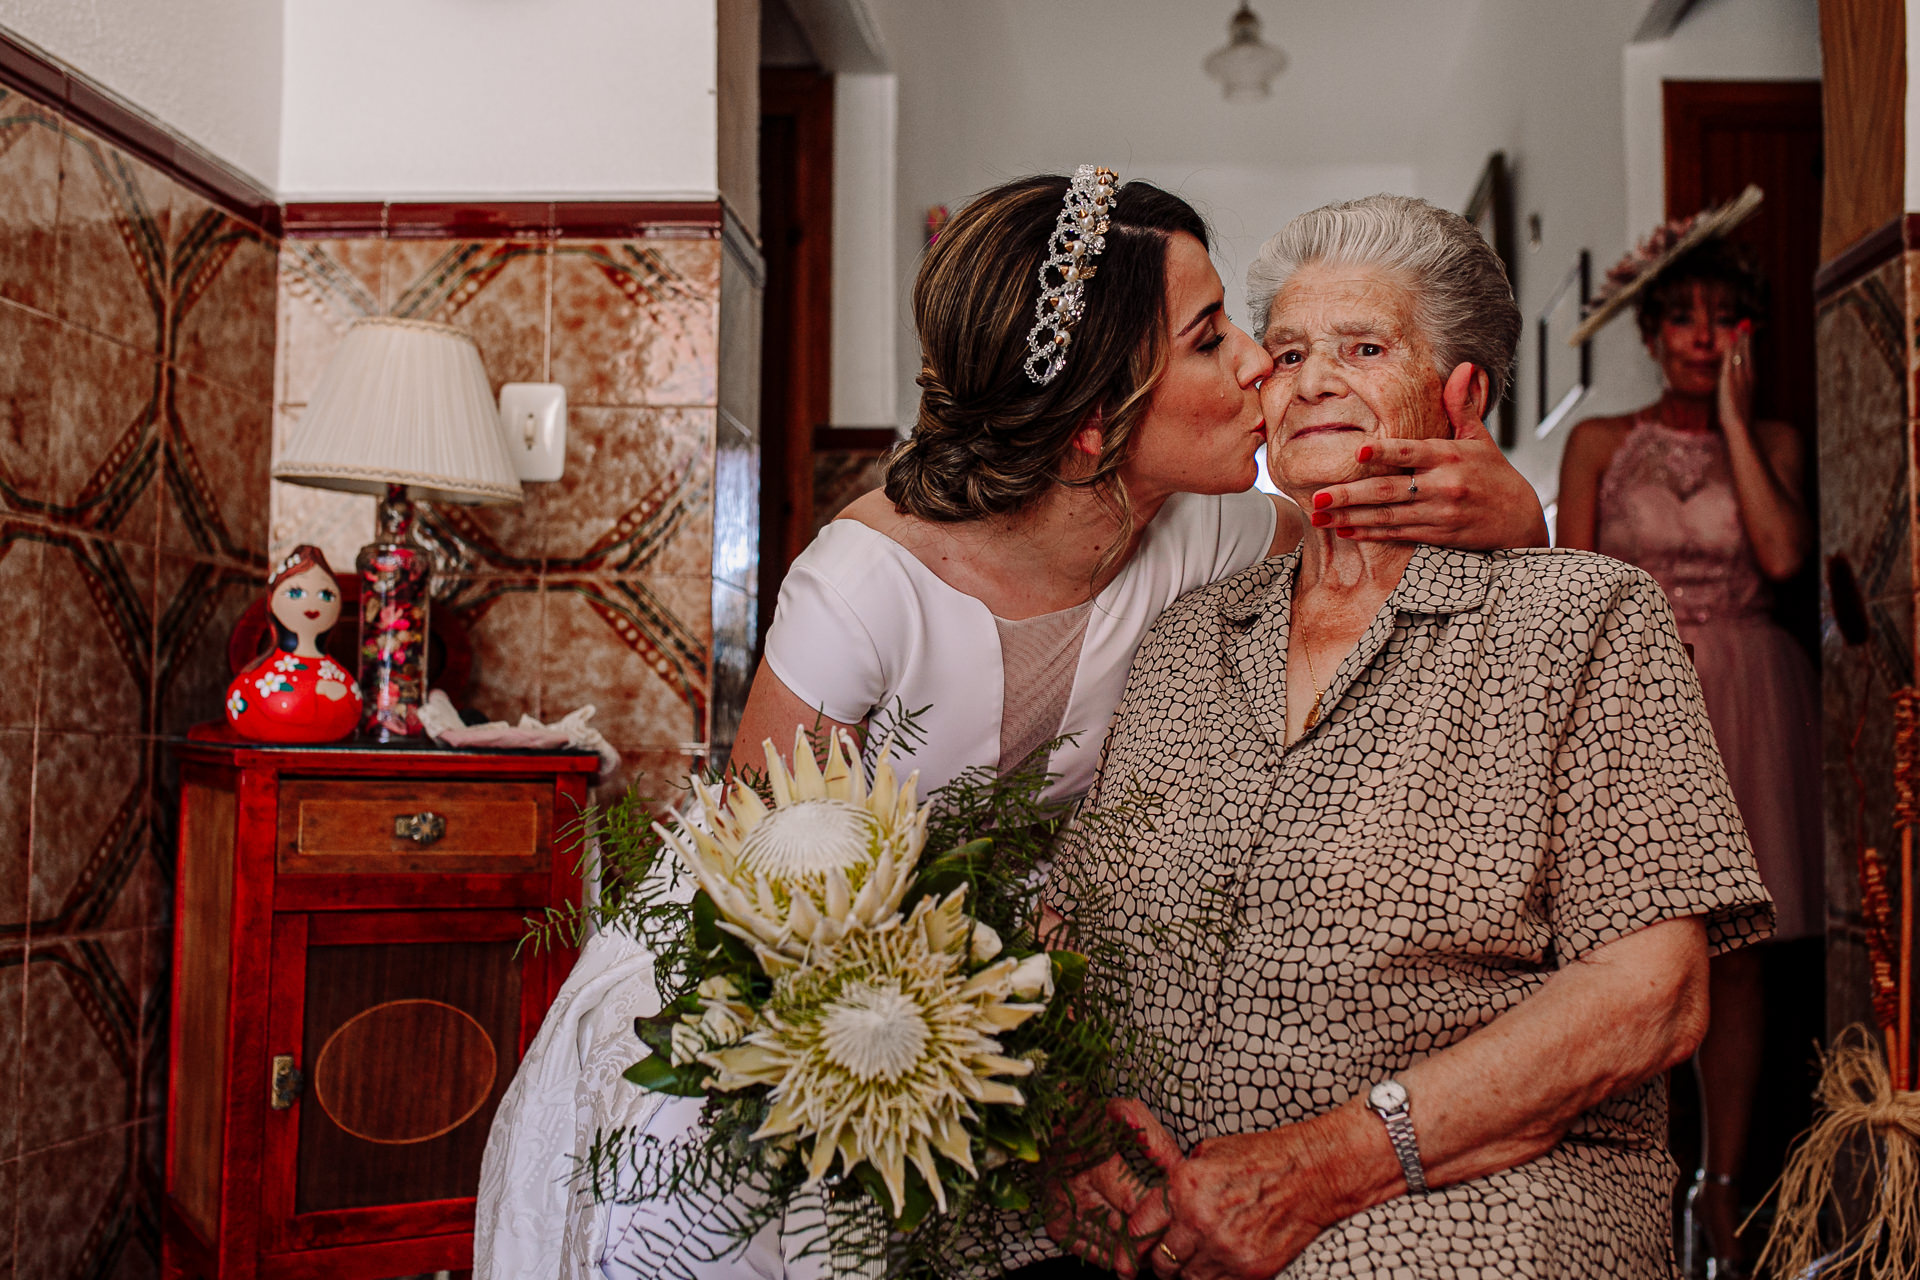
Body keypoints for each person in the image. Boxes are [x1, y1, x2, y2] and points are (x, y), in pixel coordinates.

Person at [477, 169, 1548, 1280]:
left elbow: (1369, 525)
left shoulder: (1206, 532)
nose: (1258, 364)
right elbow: (770, 898)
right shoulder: (869, 582)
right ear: (1094, 425)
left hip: (1007, 1006)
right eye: (1208, 337)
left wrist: (1517, 514)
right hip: (787, 1010)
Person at [1040, 195, 1774, 1280]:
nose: (1313, 378)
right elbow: (1078, 925)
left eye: (1365, 347)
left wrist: (1318, 1166)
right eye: (1286, 352)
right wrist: (1071, 1131)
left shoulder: (1582, 618)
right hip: (1171, 1209)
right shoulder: (1191, 632)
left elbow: (1652, 994)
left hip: (1470, 1203)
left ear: (1461, 392)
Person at [1556, 231, 1818, 1275]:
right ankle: (1643, 1179)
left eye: (1723, 314)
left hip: (1752, 699)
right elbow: (1568, 586)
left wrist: (1736, 426)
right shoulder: (1595, 442)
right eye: (1681, 315)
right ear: (1651, 333)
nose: (1703, 334)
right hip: (1644, 700)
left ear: (1745, 331)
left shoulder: (1781, 439)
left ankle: (1721, 1182)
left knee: (1739, 957)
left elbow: (1786, 555)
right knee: (1640, 942)